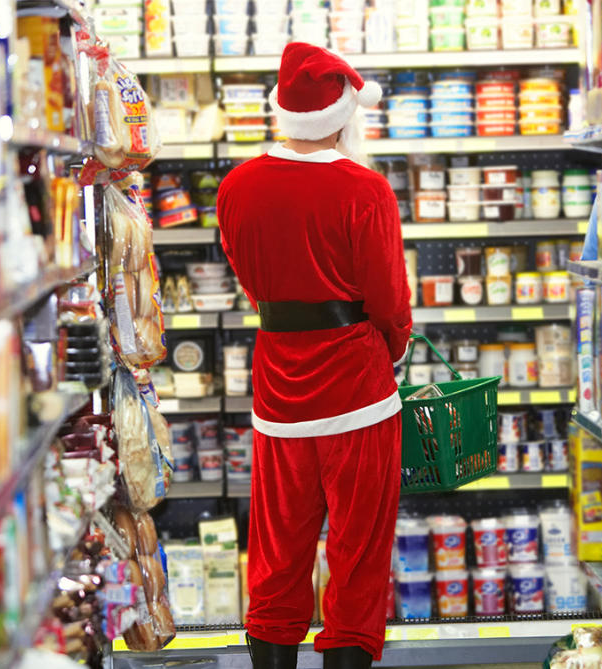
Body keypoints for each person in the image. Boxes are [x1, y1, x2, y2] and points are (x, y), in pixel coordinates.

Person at [215, 42, 412, 669]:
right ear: (345, 113)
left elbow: (250, 280)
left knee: (277, 548)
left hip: (280, 382)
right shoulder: (366, 189)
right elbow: (389, 300)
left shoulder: (237, 186)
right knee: (358, 551)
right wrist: (394, 349)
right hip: (356, 387)